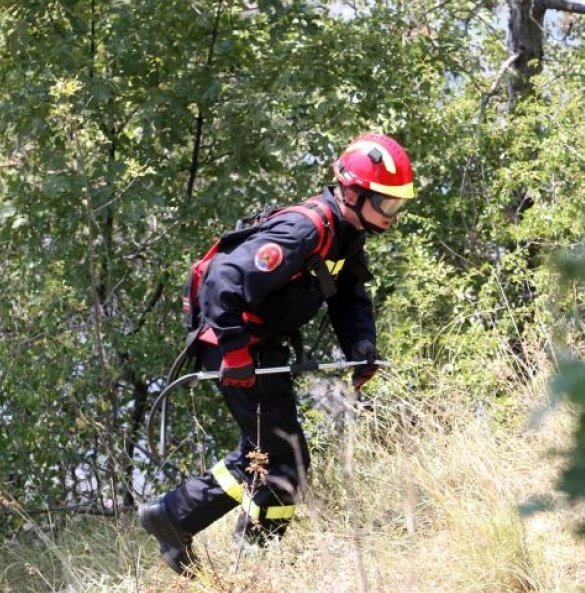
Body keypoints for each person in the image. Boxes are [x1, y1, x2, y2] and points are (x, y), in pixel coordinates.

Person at [139, 133, 415, 576]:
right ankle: (250, 562)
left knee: (266, 454)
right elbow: (222, 282)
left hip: (261, 346)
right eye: (385, 203)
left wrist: (361, 350)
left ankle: (176, 517)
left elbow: (348, 298)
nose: (391, 215)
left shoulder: (347, 236)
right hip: (235, 344)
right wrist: (234, 351)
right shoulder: (304, 229)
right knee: (284, 460)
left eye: (396, 205)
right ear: (351, 192)